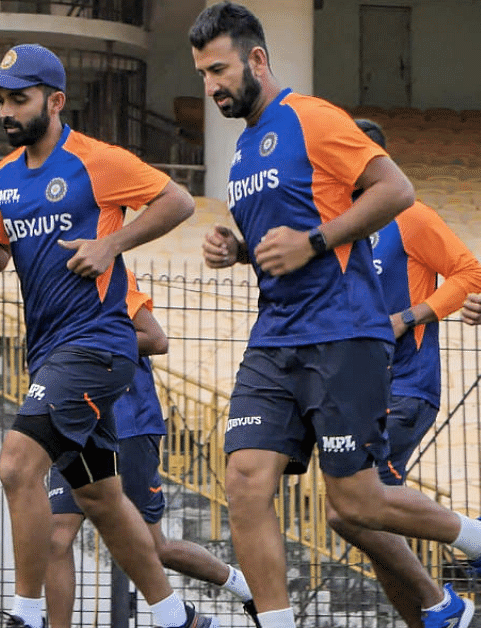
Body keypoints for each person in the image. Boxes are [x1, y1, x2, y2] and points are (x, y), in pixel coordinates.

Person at [190, 4, 481, 628]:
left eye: (219, 69)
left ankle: (472, 542)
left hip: (343, 334)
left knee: (355, 502)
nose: (211, 86)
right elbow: (278, 243)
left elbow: (395, 189)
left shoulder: (313, 118)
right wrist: (237, 249)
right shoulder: (243, 152)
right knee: (244, 480)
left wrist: (317, 241)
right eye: (202, 75)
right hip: (274, 340)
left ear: (257, 60)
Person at [0, 44, 207, 628]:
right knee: (100, 496)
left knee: (16, 465)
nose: (6, 110)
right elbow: (1, 259)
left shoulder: (95, 160)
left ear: (55, 101)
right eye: (1, 99)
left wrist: (111, 245)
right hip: (49, 350)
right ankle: (178, 618)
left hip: (97, 344)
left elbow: (176, 201)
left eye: (18, 99)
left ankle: (24, 614)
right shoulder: (1, 178)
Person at [324, 118, 481, 628]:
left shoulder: (409, 216)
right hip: (359, 393)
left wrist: (408, 316)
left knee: (349, 509)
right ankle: (438, 615)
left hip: (408, 387)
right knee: (366, 524)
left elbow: (469, 273)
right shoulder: (339, 228)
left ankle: (449, 592)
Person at [44, 271, 259, 628]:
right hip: (73, 424)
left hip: (128, 424)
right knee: (55, 537)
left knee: (155, 547)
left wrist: (86, 344)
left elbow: (156, 339)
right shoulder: (45, 280)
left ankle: (245, 589)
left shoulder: (106, 271)